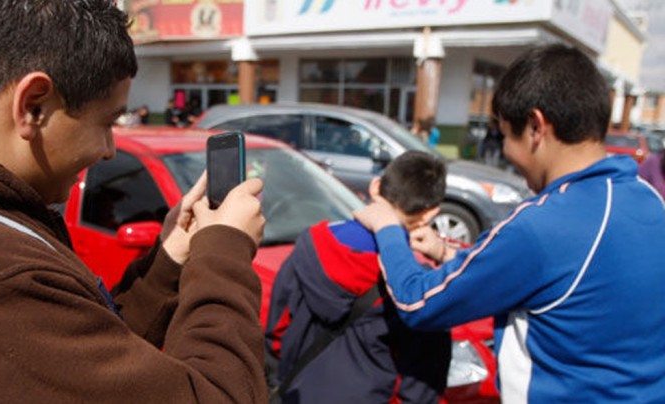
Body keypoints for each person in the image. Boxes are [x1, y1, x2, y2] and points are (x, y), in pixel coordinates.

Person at [0, 1, 268, 402]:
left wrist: (171, 261)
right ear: (33, 105)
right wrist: (224, 251)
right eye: (107, 122)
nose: (110, 149)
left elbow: (94, 365)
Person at [354, 44, 665, 402]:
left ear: (535, 126)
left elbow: (418, 302)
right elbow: (555, 274)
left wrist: (387, 225)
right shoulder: (646, 197)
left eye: (504, 135)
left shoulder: (544, 224)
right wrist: (444, 251)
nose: (505, 152)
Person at [265, 150, 451, 403]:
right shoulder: (419, 286)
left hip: (298, 392)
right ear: (429, 213)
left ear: (376, 186)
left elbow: (277, 329)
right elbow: (422, 382)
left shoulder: (311, 245)